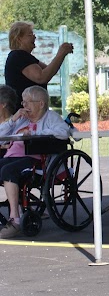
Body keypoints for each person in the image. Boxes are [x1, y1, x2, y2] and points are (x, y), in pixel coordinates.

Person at [0, 86, 70, 238]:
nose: (24, 106)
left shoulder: (50, 117)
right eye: (23, 102)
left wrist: (34, 134)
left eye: (27, 102)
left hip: (35, 161)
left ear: (41, 104)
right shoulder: (21, 119)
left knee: (8, 171)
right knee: (6, 167)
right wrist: (13, 120)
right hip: (13, 157)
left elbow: (63, 132)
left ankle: (15, 220)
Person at [4, 21, 73, 100]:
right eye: (30, 35)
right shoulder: (18, 56)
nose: (34, 37)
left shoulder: (23, 57)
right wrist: (61, 53)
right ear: (19, 39)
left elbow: (48, 71)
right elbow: (42, 77)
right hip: (25, 109)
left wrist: (61, 54)